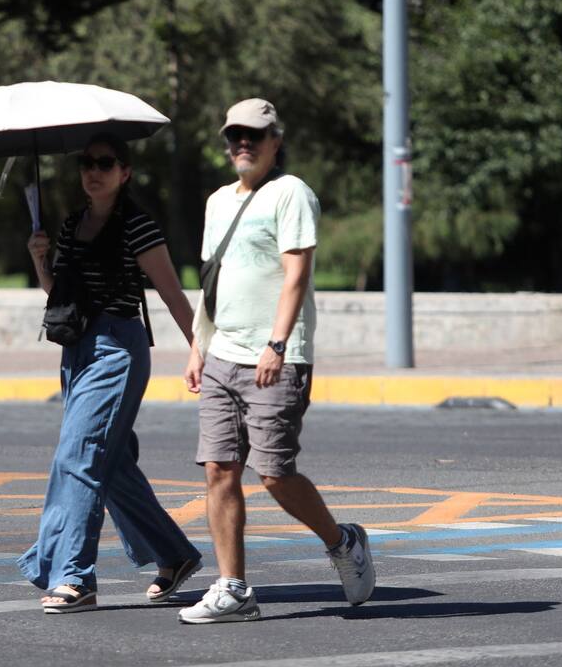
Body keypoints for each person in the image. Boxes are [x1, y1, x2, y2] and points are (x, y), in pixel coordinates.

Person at [178, 98, 375, 624]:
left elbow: (296, 274)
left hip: (275, 357)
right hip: (222, 352)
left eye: (255, 136)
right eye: (236, 135)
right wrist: (199, 344)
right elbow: (211, 281)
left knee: (274, 474)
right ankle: (234, 589)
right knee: (219, 469)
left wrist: (279, 343)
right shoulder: (218, 200)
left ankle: (342, 541)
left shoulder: (291, 193)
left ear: (275, 142)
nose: (244, 143)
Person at [19, 131, 205, 614]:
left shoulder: (137, 227)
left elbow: (173, 294)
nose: (93, 171)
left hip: (117, 351)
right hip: (77, 349)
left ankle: (75, 577)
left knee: (77, 457)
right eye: (86, 163)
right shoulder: (70, 224)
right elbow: (60, 294)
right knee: (111, 465)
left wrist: (199, 350)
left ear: (124, 173)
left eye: (105, 163)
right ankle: (173, 554)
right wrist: (41, 261)